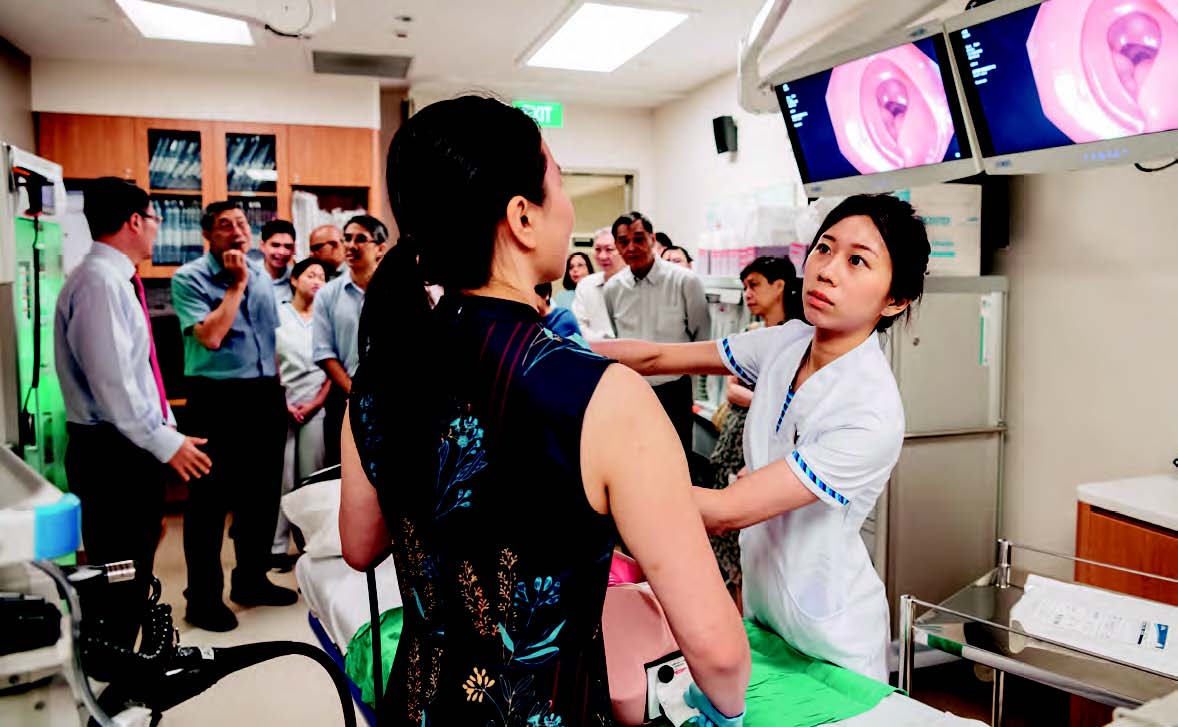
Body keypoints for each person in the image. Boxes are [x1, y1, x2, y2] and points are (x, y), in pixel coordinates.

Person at [338, 96, 749, 727]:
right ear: (522, 218)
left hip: (416, 707)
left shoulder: (381, 374)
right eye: (558, 184)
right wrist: (721, 711)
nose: (569, 209)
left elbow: (361, 546)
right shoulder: (603, 396)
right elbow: (717, 653)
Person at [595, 194, 930, 682]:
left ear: (895, 299)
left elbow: (726, 511)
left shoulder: (870, 410)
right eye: (824, 249)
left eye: (858, 261)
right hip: (764, 616)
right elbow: (656, 359)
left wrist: (597, 489)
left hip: (833, 640)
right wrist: (551, 351)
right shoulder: (786, 342)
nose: (828, 270)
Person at [55, 177, 212, 647]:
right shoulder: (100, 284)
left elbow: (135, 375)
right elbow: (114, 385)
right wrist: (167, 443)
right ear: (135, 221)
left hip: (124, 445)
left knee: (132, 564)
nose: (156, 231)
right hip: (112, 451)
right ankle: (115, 684)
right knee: (120, 574)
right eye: (154, 220)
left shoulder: (111, 280)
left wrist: (167, 430)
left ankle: (122, 669)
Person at [171, 201, 298, 632]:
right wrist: (237, 284)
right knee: (208, 502)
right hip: (215, 397)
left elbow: (273, 337)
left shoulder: (264, 275)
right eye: (226, 225)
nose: (237, 231)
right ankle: (202, 599)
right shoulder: (189, 278)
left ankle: (251, 579)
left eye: (243, 223)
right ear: (209, 234)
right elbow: (210, 336)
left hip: (263, 394)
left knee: (261, 496)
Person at [707, 256, 797, 610]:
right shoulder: (749, 336)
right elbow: (731, 391)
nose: (748, 294)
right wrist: (767, 396)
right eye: (744, 287)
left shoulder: (799, 342)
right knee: (727, 546)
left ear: (779, 286)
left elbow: (791, 403)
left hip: (761, 452)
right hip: (731, 441)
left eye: (755, 284)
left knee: (753, 540)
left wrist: (760, 397)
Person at [604, 211, 711, 455]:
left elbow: (701, 336)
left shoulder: (685, 282)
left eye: (639, 238)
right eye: (623, 241)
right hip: (631, 389)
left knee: (677, 459)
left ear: (652, 238)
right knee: (633, 459)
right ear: (617, 247)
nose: (632, 247)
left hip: (674, 390)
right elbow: (615, 334)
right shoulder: (612, 289)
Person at [313, 214, 389, 466]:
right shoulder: (327, 295)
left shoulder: (397, 293)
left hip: (391, 399)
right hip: (344, 399)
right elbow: (324, 352)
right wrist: (356, 392)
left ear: (380, 248)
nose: (351, 245)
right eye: (347, 238)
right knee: (341, 473)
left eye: (360, 239)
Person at [271, 258, 331, 571]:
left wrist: (317, 402)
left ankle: (312, 547)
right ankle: (276, 547)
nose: (317, 281)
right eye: (310, 274)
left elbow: (333, 362)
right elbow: (271, 358)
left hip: (315, 403)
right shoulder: (279, 313)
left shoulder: (325, 315)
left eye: (322, 276)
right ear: (294, 280)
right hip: (284, 401)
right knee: (283, 475)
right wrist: (284, 402)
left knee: (311, 476)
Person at [571, 227, 624, 341]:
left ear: (622, 250)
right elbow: (578, 326)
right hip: (595, 353)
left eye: (609, 249)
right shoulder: (585, 285)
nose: (602, 256)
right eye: (598, 250)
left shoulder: (635, 284)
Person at [259, 219, 296, 304]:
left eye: (287, 246)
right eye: (275, 245)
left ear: (293, 249)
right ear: (262, 246)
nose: (281, 252)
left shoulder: (297, 279)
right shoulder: (248, 276)